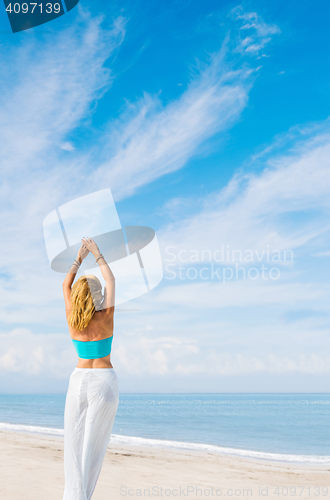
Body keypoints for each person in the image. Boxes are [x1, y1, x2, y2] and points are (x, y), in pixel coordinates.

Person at [62, 237, 119, 500]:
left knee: (74, 444)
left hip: (79, 380)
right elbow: (111, 281)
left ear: (77, 296)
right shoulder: (106, 316)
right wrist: (97, 253)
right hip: (104, 382)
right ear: (97, 296)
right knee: (94, 447)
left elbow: (65, 284)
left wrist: (79, 257)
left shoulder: (73, 319)